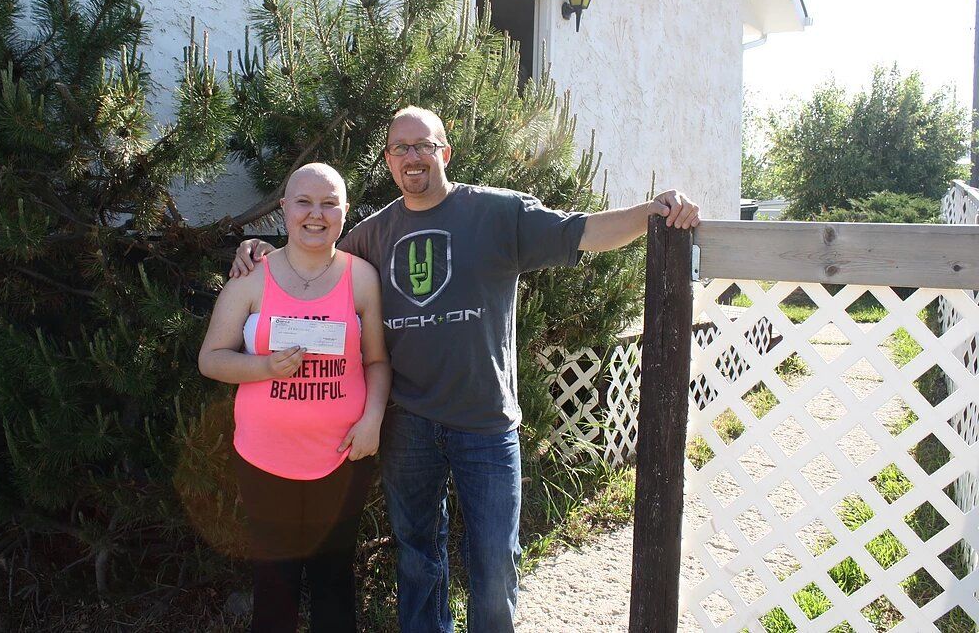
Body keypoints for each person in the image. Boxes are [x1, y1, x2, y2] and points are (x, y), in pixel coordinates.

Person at [230, 107, 701, 632]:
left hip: (486, 424)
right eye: (401, 148)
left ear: (445, 152)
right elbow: (314, 252)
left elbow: (584, 232)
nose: (413, 157)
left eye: (424, 145)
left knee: (495, 567)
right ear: (388, 160)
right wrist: (259, 249)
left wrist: (651, 213)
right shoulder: (374, 234)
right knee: (417, 561)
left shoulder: (498, 214)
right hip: (408, 424)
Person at [200, 163, 391, 633]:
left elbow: (377, 362)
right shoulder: (252, 276)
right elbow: (211, 358)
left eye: (329, 203)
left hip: (344, 455)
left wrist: (372, 421)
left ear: (345, 212)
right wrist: (264, 367)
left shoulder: (361, 278)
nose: (316, 214)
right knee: (275, 583)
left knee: (333, 580)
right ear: (283, 209)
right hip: (265, 458)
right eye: (304, 202)